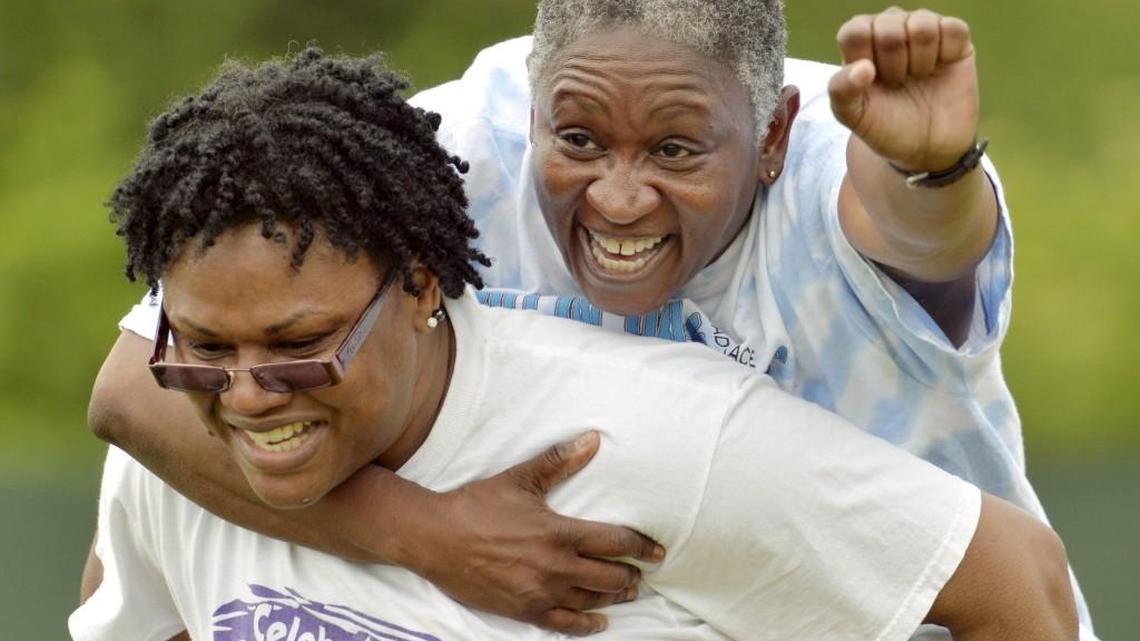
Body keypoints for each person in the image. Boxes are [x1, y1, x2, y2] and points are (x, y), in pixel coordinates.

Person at [85, 1, 1098, 638]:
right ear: (531, 113)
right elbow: (138, 392)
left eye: (675, 151)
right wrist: (424, 532)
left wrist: (935, 172)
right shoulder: (452, 143)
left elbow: (923, 235)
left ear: (773, 136)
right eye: (577, 140)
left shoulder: (847, 157)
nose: (618, 198)